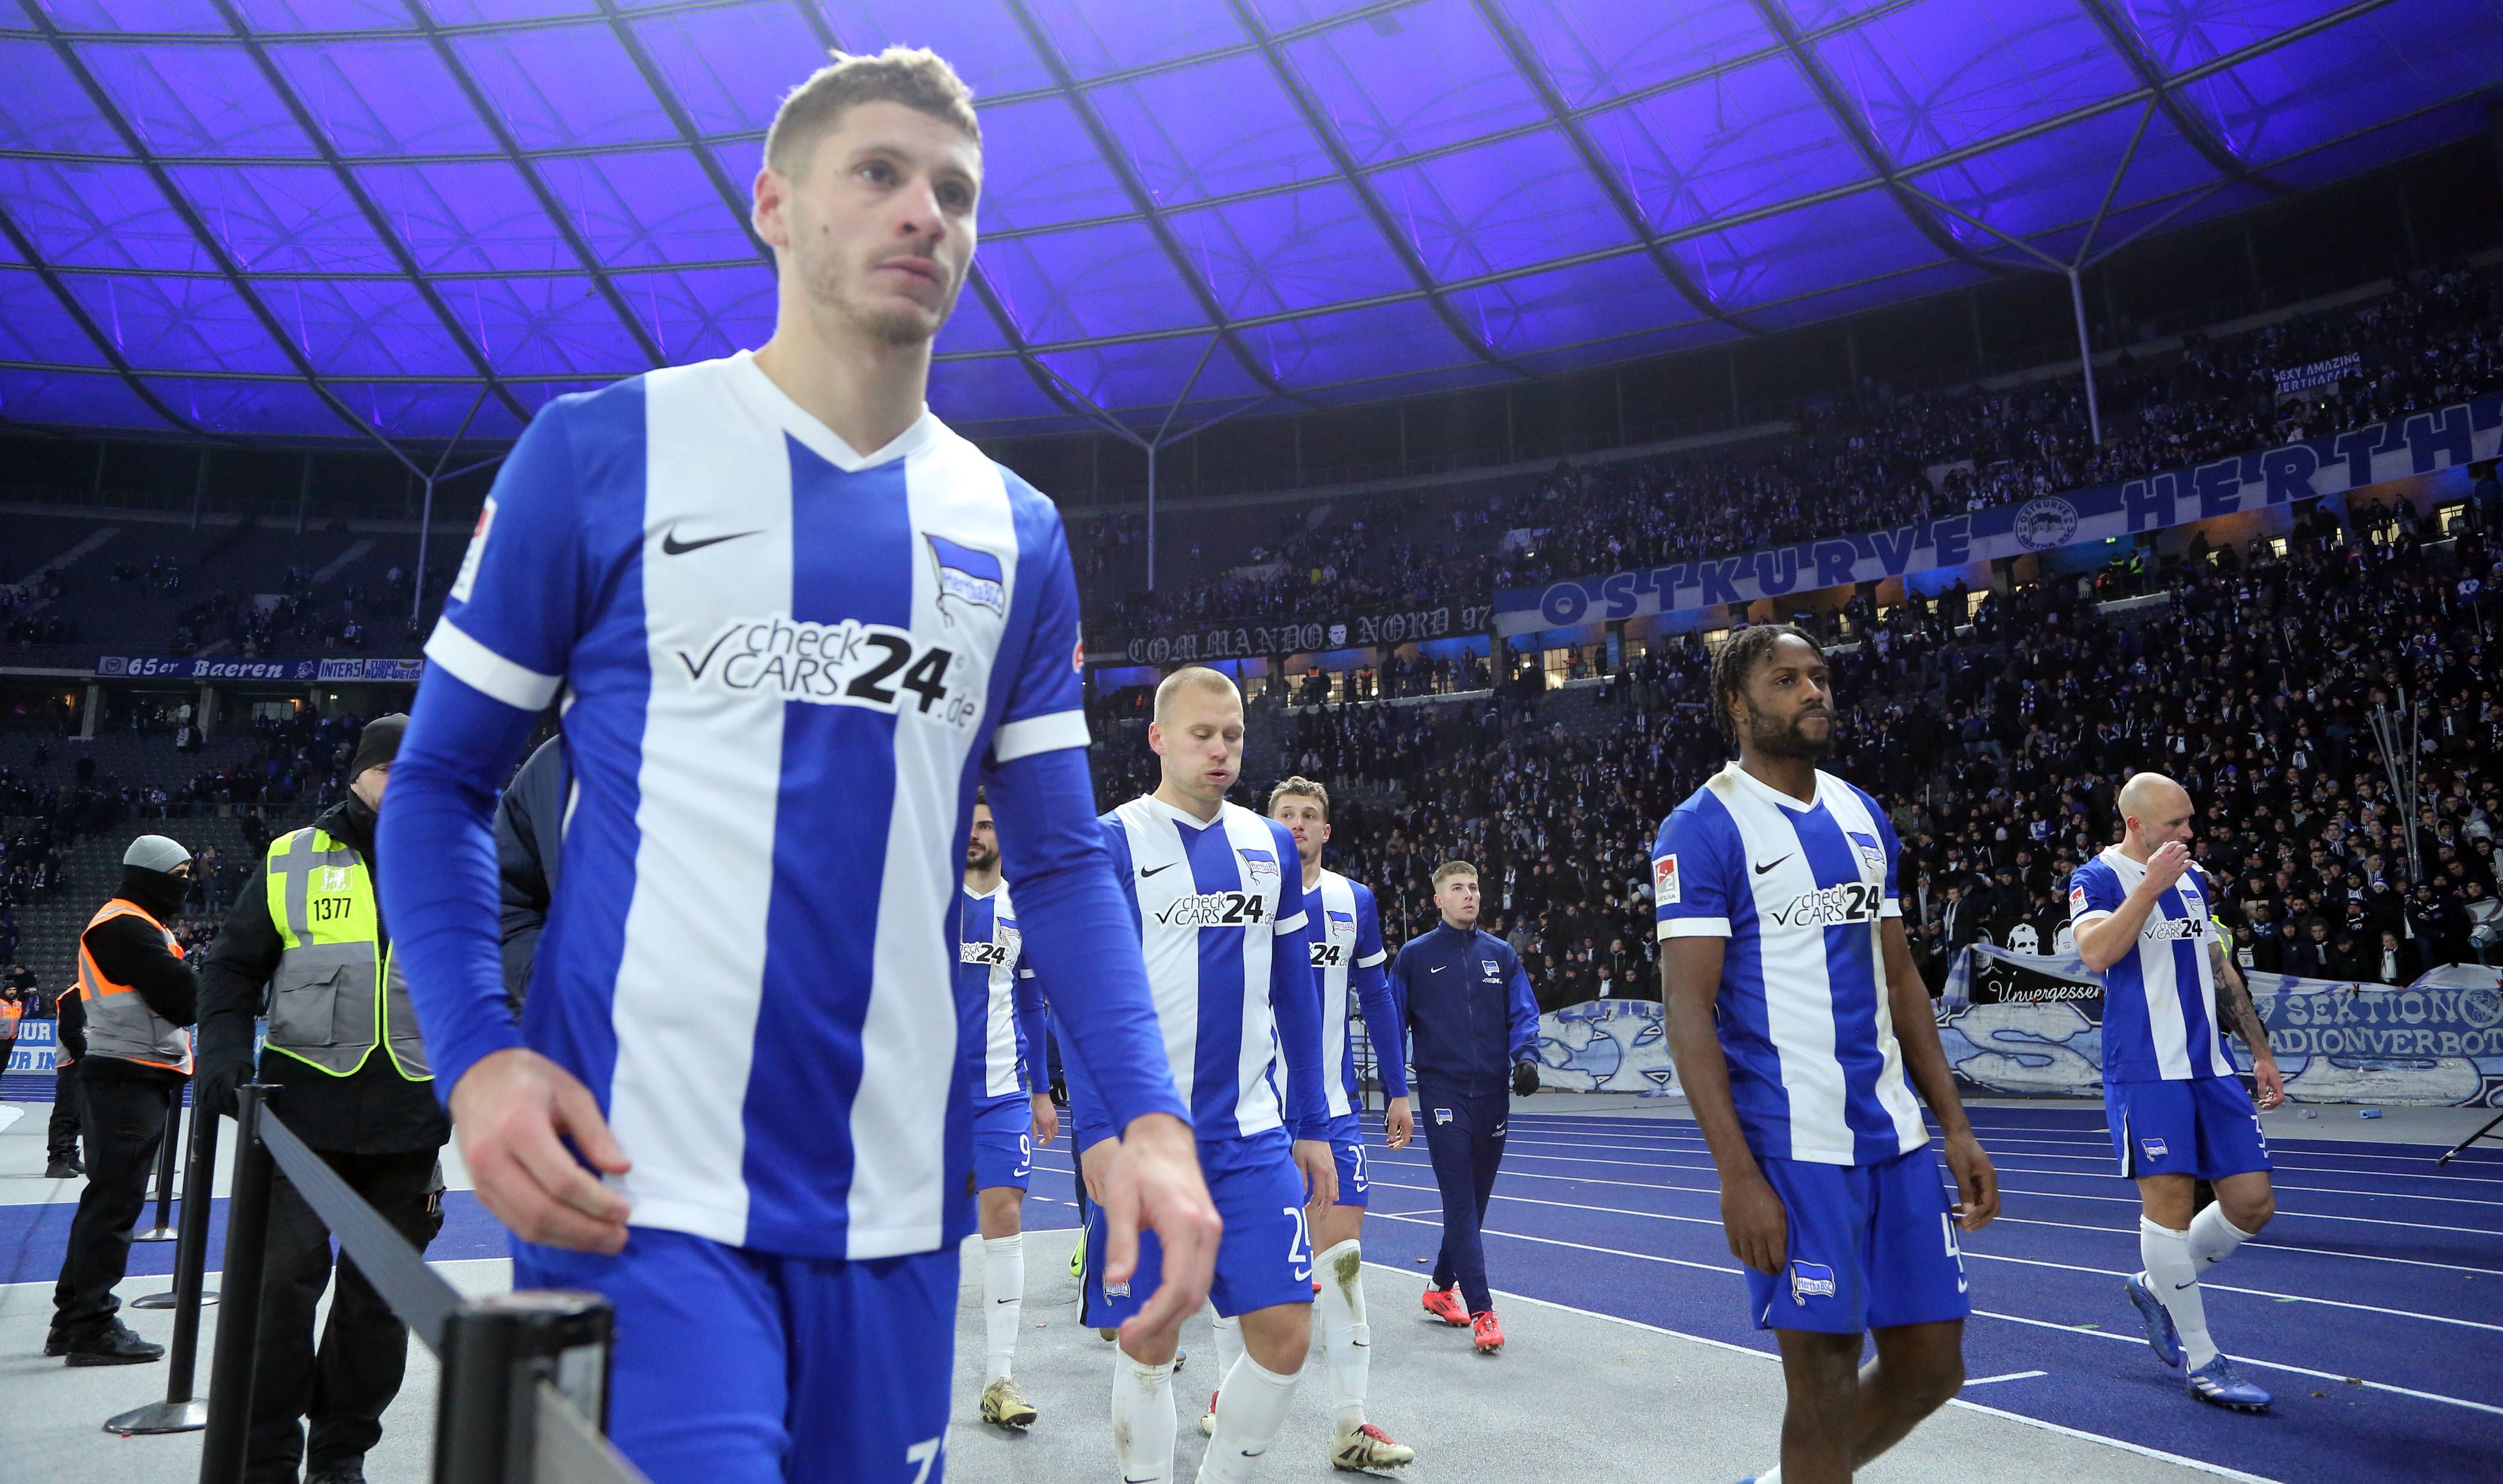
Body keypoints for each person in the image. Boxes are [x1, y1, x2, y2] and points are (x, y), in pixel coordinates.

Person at [377, 48, 1216, 1484]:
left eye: (954, 192)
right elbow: (441, 787)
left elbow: (1065, 861)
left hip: (899, 1201)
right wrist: (479, 1055)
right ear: (774, 204)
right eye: (879, 175)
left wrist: (1148, 1116)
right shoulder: (603, 451)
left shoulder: (1013, 530)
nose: (924, 216)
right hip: (633, 1190)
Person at [1654, 626, 1997, 1484]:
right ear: (1738, 704)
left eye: (1818, 677)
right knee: (1824, 1383)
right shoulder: (1700, 828)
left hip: (1895, 1137)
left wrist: (1953, 1125)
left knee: (1932, 1366)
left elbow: (1902, 980)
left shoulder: (1858, 812)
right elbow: (1687, 1015)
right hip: (1792, 1149)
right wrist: (1737, 1175)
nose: (1813, 692)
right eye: (1785, 681)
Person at [1070, 666, 1335, 1484]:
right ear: (1158, 738)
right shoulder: (1113, 842)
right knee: (1150, 1334)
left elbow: (1296, 992)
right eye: (1201, 734)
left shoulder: (1268, 846)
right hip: (1149, 1140)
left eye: (1233, 736)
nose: (1220, 750)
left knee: (1286, 1334)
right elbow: (1077, 1001)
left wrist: (1313, 1125)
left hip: (1251, 1137)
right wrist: (1094, 1130)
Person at [196, 714, 449, 1484]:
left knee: (376, 1309)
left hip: (408, 1125)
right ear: (360, 773)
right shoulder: (291, 858)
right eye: (392, 771)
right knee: (279, 1296)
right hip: (300, 1124)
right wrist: (226, 1056)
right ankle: (265, 1457)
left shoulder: (458, 857)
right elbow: (233, 970)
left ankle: (341, 1455)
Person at [2071, 772, 2283, 1413]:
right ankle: (2203, 1358)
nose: (2190, 833)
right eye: (2176, 823)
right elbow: (2097, 953)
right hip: (2145, 1068)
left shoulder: (2195, 878)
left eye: (2190, 820)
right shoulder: (2099, 875)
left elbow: (2218, 966)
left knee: (2252, 1203)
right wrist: (2151, 886)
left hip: (2210, 1065)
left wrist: (2261, 1050)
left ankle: (2152, 1282)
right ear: (2137, 825)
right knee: (2165, 1206)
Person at [1255, 776, 1414, 1471]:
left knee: (1343, 1265)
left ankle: (1351, 1424)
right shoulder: (1243, 898)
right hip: (1252, 1112)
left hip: (1336, 1113)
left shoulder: (1355, 901)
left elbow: (1377, 996)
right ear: (1269, 827)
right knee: (1255, 1268)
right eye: (1286, 814)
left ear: (1326, 830)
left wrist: (1400, 1089)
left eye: (1309, 815)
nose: (1297, 824)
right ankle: (1228, 1403)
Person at [47, 834, 197, 1367]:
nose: (187, 884)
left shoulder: (136, 923)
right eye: (180, 874)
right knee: (115, 1206)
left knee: (108, 1201)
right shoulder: (125, 925)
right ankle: (91, 1326)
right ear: (151, 874)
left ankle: (73, 1319)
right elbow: (184, 996)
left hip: (131, 1073)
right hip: (127, 1076)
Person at [1381, 859, 1540, 1355]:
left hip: (1493, 1094)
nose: (1469, 895)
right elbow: (1391, 1025)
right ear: (1439, 900)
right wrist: (1395, 1092)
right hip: (1444, 1094)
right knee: (1459, 1201)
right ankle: (1483, 1310)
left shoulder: (1501, 955)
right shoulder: (1414, 955)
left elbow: (1523, 1011)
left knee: (1475, 1203)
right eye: (1458, 888)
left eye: (1474, 886)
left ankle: (1438, 1288)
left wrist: (1526, 1057)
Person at [957, 791, 1058, 1430]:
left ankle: (1000, 1375)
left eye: (988, 824)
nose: (975, 834)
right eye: (967, 823)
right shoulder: (928, 896)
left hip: (1001, 1091)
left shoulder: (1021, 909)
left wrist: (1043, 1090)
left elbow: (1031, 1004)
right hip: (926, 1096)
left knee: (1004, 1216)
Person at [41, 967, 86, 1178]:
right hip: (73, 1060)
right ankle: (57, 1159)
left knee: (78, 1111)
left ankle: (70, 1154)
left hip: (85, 1059)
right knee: (67, 1110)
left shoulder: (91, 993)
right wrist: (84, 1057)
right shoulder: (75, 994)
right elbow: (70, 1032)